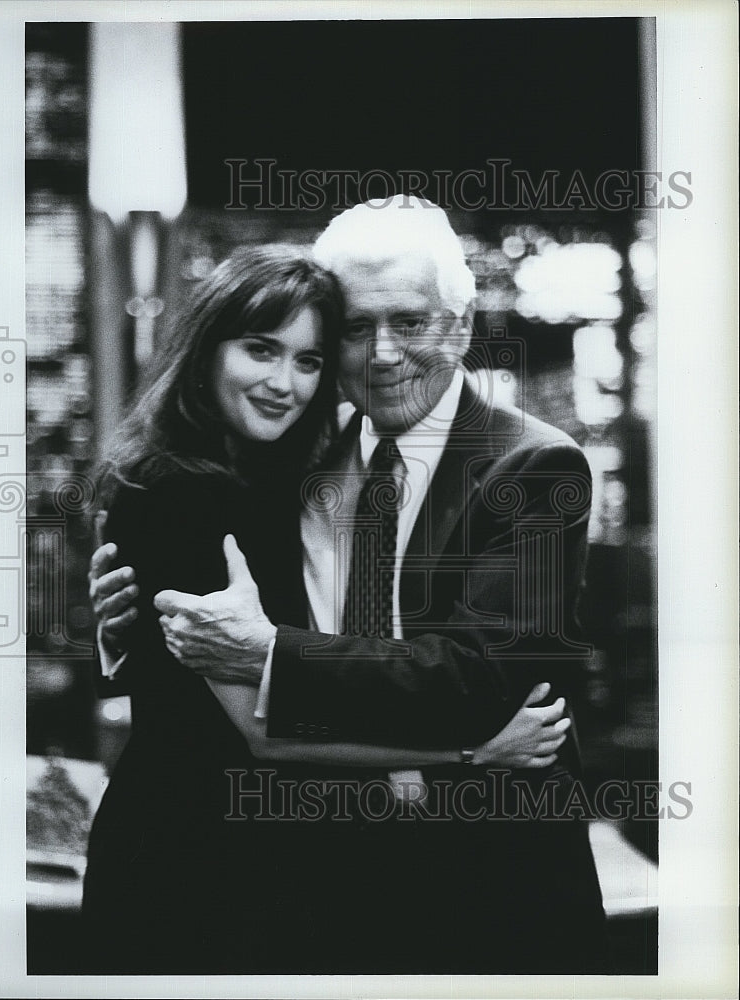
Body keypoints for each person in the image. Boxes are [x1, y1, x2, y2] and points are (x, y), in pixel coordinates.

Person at [83, 240, 568, 975]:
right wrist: (469, 754)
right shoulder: (181, 485)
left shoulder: (282, 467)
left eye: (306, 360)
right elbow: (263, 733)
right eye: (259, 350)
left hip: (347, 863)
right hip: (195, 849)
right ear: (206, 347)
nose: (285, 381)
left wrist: (143, 639)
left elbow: (473, 669)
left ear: (459, 328)